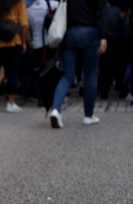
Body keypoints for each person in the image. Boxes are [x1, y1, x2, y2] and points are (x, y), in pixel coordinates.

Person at [48, 0, 108, 128]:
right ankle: (88, 115)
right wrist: (103, 36)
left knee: (67, 76)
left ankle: (56, 109)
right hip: (90, 33)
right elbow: (101, 13)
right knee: (90, 76)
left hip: (69, 33)